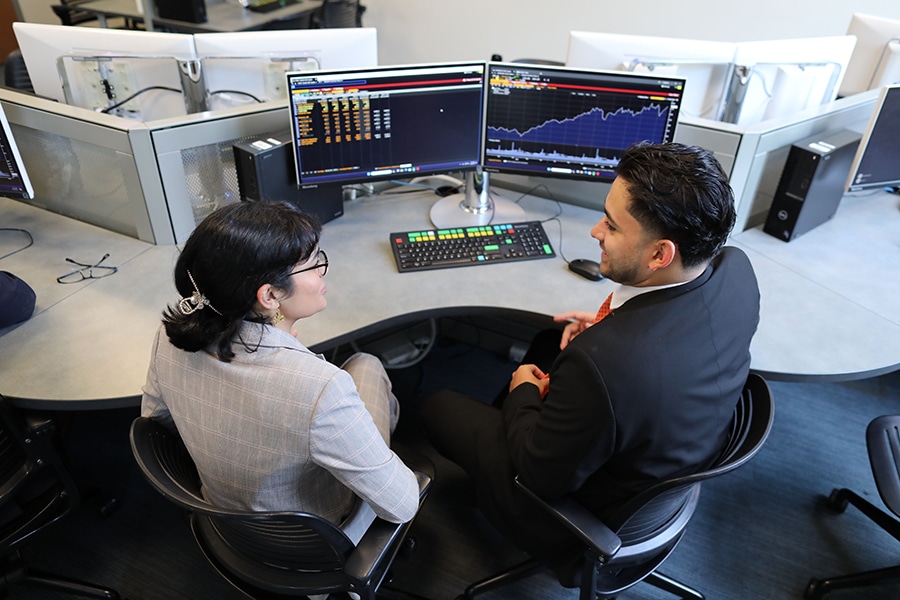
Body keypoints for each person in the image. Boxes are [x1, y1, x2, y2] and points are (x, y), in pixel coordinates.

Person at [421, 141, 760, 582]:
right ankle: (503, 438)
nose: (595, 231)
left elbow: (542, 476)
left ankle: (496, 474)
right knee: (548, 340)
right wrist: (609, 330)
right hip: (665, 452)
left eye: (612, 226)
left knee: (437, 405)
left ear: (660, 254)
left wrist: (525, 389)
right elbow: (637, 354)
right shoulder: (736, 269)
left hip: (582, 517)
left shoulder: (606, 366)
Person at [141, 201, 419, 544]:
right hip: (313, 541)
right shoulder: (321, 387)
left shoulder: (168, 340)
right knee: (367, 365)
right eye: (314, 264)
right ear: (270, 295)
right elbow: (403, 505)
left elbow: (158, 423)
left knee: (360, 368)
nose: (322, 274)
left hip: (224, 524)